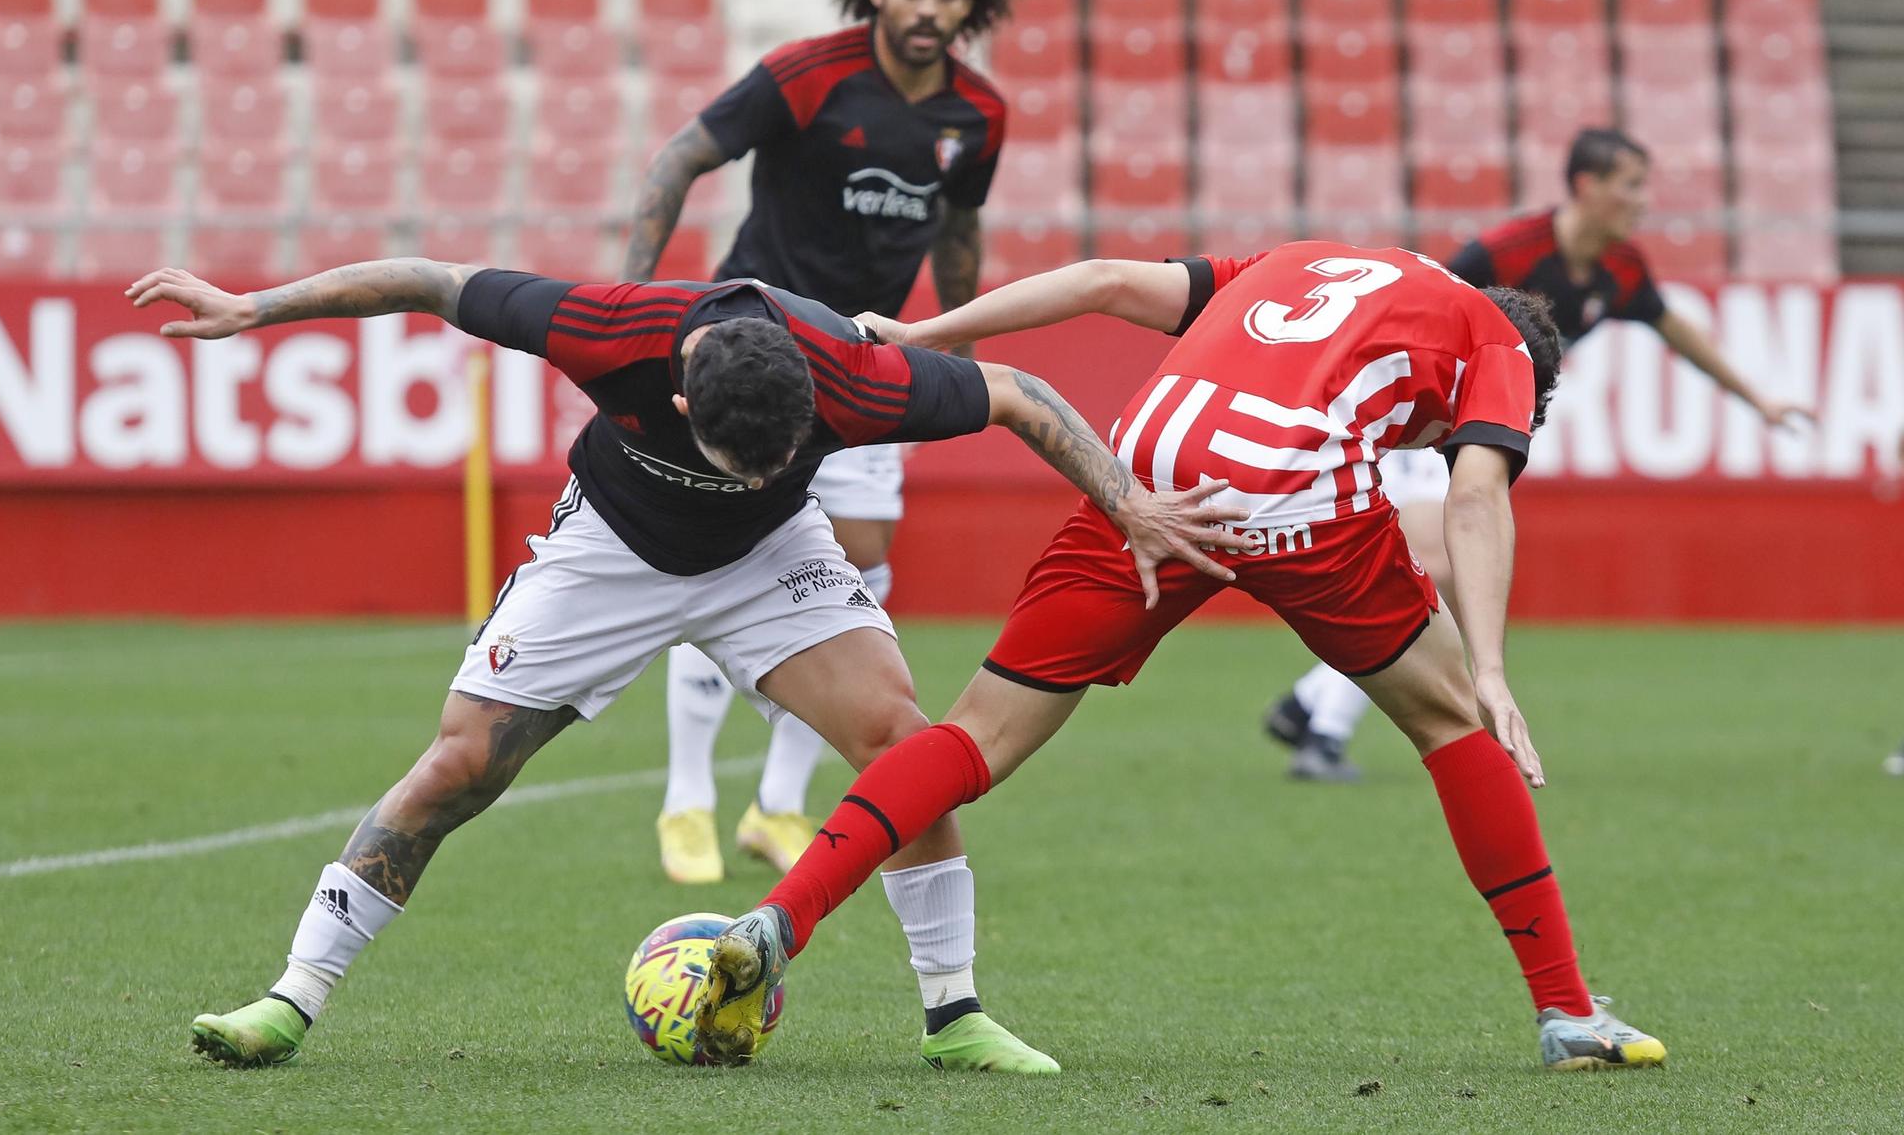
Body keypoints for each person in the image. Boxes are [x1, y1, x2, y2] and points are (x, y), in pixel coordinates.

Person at [129, 256, 1235, 1073]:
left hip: (771, 563)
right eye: (735, 461)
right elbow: (428, 278)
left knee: (903, 741)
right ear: (678, 395)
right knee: (461, 764)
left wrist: (1124, 500)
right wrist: (253, 307)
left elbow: (1014, 396)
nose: (756, 472)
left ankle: (955, 1016)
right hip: (608, 548)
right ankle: (290, 995)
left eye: (777, 461)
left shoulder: (855, 378)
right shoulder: (607, 326)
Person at [690, 241, 1669, 1074]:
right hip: (1290, 484)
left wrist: (921, 333)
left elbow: (1106, 280)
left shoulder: (1300, 262)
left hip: (1145, 470)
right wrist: (1491, 667)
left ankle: (781, 916)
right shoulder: (1495, 342)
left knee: (975, 733)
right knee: (1451, 716)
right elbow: (1474, 498)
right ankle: (1567, 1010)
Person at [620, 0, 1024, 883]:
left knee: (854, 571)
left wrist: (957, 353)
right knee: (709, 554)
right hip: (748, 348)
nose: (928, 10)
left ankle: (777, 804)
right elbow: (677, 158)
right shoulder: (806, 75)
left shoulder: (976, 115)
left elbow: (960, 233)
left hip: (863, 361)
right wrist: (633, 296)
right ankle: (684, 799)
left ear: (971, 3)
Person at [1267, 128, 1815, 781]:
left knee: (1430, 569)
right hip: (1422, 419)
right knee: (1437, 565)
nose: (1643, 201)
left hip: (1475, 430)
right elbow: (1407, 309)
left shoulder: (1621, 269)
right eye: (1631, 184)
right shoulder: (1502, 253)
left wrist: (1760, 400)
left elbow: (1677, 332)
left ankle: (1311, 706)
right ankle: (1322, 729)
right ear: (1587, 186)